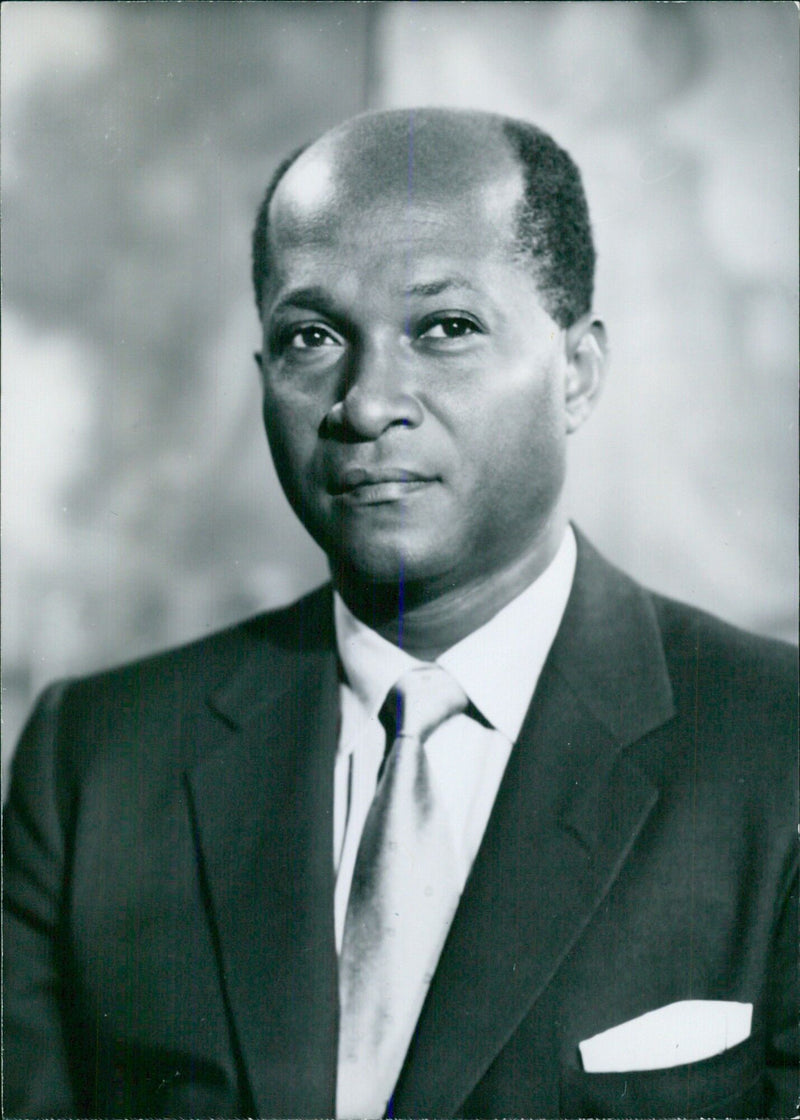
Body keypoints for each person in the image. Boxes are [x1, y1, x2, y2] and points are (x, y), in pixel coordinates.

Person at [3, 108, 796, 1119]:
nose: (367, 401)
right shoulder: (97, 765)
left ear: (577, 372)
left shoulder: (774, 747)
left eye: (446, 327)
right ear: (262, 382)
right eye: (311, 336)